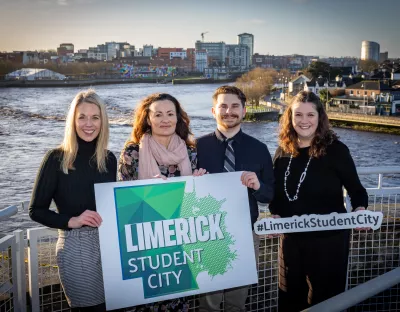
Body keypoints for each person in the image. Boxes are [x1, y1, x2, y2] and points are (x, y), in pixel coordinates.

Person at [269, 91, 369, 311]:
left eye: (310, 115)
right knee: (289, 300)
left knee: (325, 301)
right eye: (298, 115)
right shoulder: (282, 151)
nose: (304, 121)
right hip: (291, 241)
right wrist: (274, 213)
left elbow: (357, 190)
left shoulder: (336, 151)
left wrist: (360, 209)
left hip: (329, 242)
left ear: (320, 117)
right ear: (290, 117)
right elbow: (276, 195)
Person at [29, 89, 117, 312]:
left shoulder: (109, 159)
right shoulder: (56, 158)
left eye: (95, 117)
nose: (89, 124)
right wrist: (72, 221)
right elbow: (36, 210)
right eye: (82, 117)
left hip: (108, 247)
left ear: (102, 121)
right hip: (76, 247)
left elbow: (112, 204)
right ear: (73, 121)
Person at [118, 93, 200, 311]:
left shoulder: (190, 153)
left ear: (178, 118)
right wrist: (147, 193)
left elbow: (194, 202)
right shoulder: (132, 154)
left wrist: (199, 184)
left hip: (180, 243)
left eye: (170, 114)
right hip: (146, 246)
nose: (165, 119)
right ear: (148, 119)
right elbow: (123, 203)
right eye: (158, 114)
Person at [196, 85, 275, 312]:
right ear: (213, 111)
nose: (228, 111)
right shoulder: (196, 147)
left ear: (244, 110)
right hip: (207, 233)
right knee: (208, 303)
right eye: (223, 106)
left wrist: (258, 185)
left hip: (245, 232)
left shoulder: (259, 149)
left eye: (234, 106)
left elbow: (270, 195)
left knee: (237, 302)